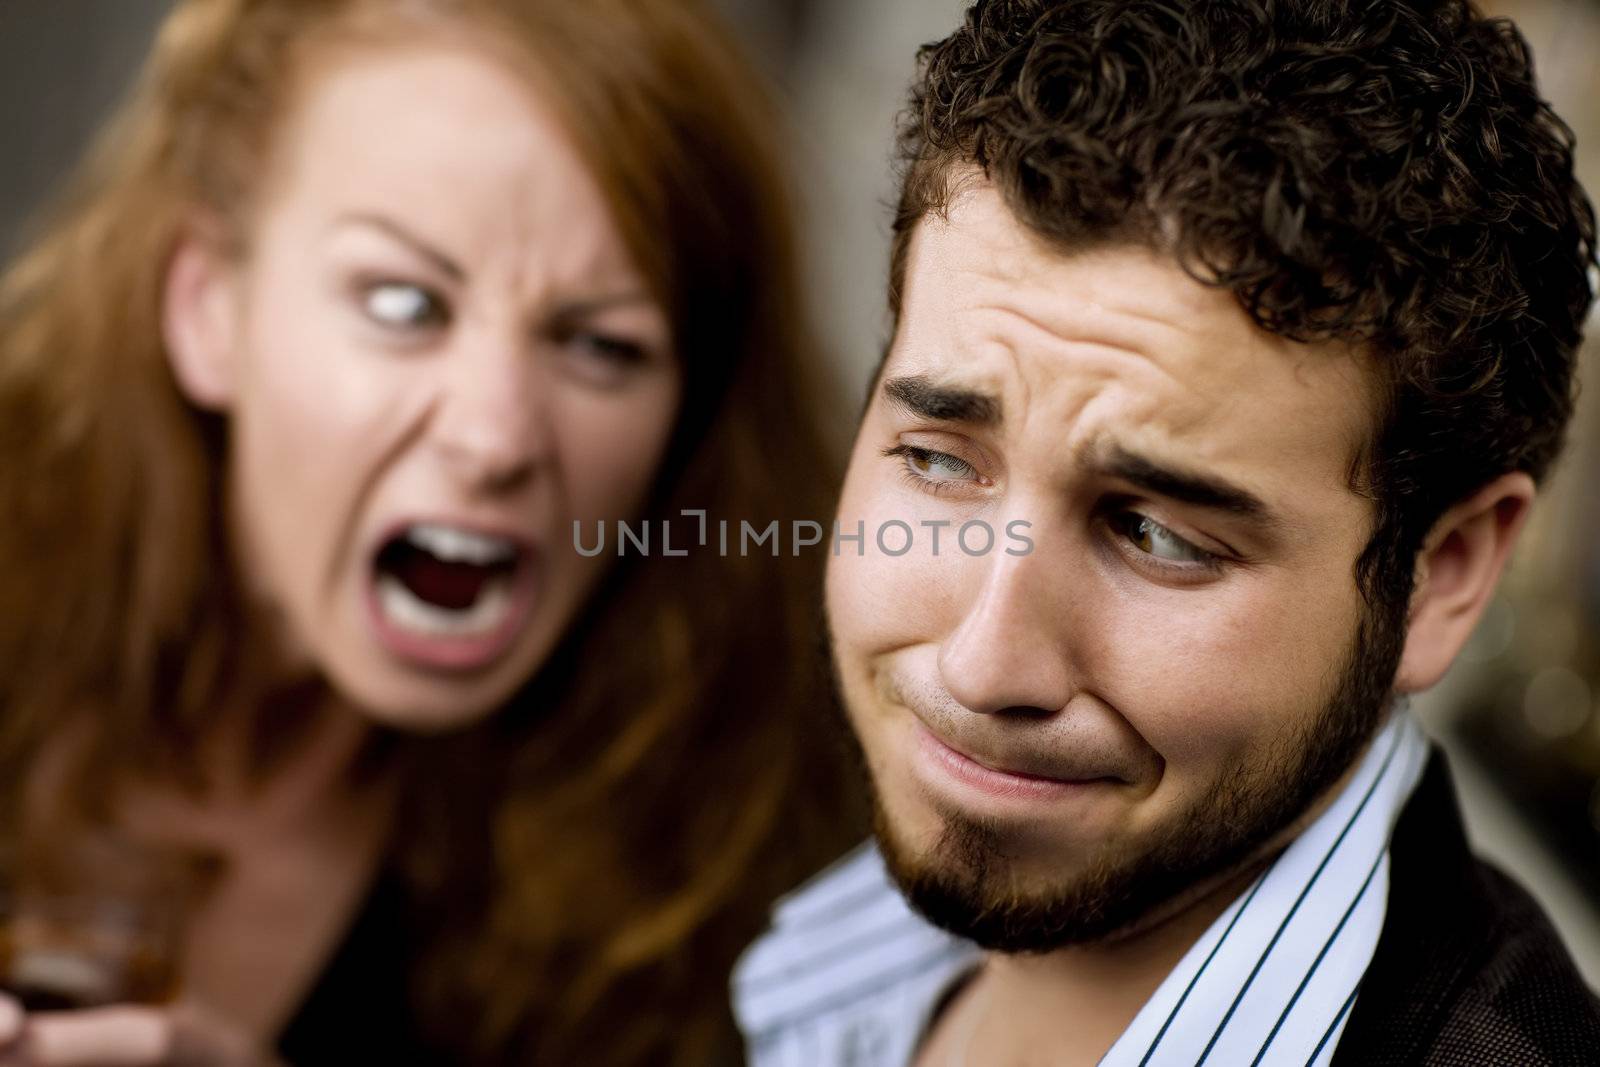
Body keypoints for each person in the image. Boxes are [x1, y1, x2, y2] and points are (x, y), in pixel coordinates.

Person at [732, 1, 1600, 1064]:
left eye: (1156, 534)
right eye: (939, 460)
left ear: (1439, 573)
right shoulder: (758, 895)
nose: (982, 661)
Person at [0, 0, 858, 1063]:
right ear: (206, 308)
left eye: (600, 344)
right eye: (404, 304)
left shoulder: (732, 863)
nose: (495, 435)